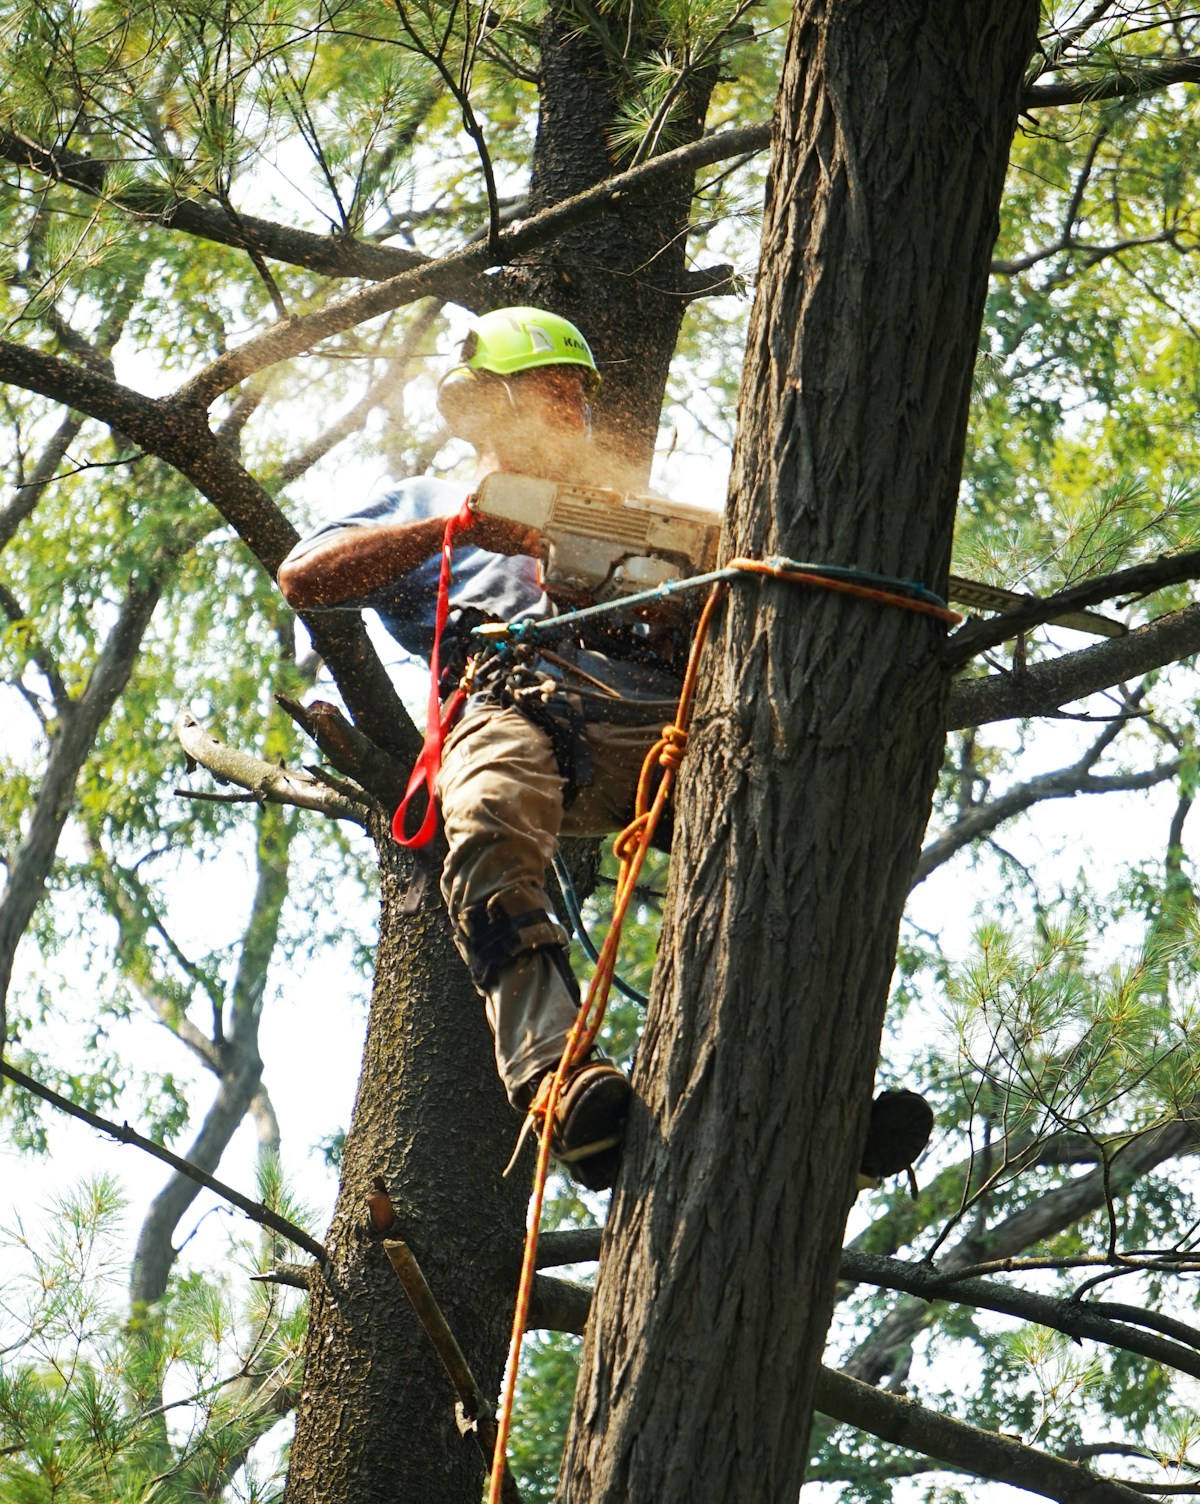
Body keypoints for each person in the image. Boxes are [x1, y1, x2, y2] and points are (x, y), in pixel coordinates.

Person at [278, 305, 933, 1194]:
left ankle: (813, 1091)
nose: (573, 413)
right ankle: (558, 1082)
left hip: (658, 717)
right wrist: (464, 530)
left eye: (580, 397)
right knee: (491, 816)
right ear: (485, 406)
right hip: (516, 703)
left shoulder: (632, 515)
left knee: (791, 823)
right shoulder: (430, 504)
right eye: (552, 392)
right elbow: (306, 579)